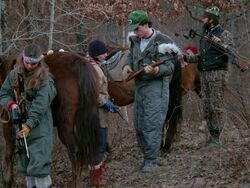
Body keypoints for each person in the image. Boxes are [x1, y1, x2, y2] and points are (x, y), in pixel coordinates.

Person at [123, 10, 180, 173]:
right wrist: (127, 65)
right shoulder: (135, 41)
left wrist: (156, 71)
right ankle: (147, 157)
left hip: (156, 90)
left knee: (152, 124)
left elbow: (169, 67)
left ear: (146, 24)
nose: (135, 32)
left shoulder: (163, 42)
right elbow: (130, 56)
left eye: (137, 28)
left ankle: (152, 160)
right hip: (140, 88)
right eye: (133, 29)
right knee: (139, 124)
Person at [0, 44, 57, 187]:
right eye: (27, 62)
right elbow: (4, 93)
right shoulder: (14, 74)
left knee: (39, 166)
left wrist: (29, 125)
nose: (30, 66)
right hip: (20, 124)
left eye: (34, 63)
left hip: (39, 126)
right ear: (22, 59)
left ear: (39, 62)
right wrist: (11, 104)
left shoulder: (46, 79)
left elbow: (41, 105)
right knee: (26, 167)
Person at [197, 6, 236, 147]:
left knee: (216, 105)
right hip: (205, 74)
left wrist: (221, 43)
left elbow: (233, 53)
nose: (202, 19)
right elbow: (202, 55)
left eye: (205, 17)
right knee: (207, 105)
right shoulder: (205, 34)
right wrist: (186, 58)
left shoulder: (224, 34)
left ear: (212, 19)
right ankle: (212, 136)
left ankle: (217, 138)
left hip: (218, 74)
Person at [87, 39, 120, 186]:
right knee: (98, 145)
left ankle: (96, 173)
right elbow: (93, 92)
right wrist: (106, 103)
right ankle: (96, 179)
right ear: (95, 54)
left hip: (98, 113)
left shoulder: (94, 66)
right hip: (96, 113)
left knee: (99, 144)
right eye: (103, 52)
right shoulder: (94, 69)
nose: (106, 54)